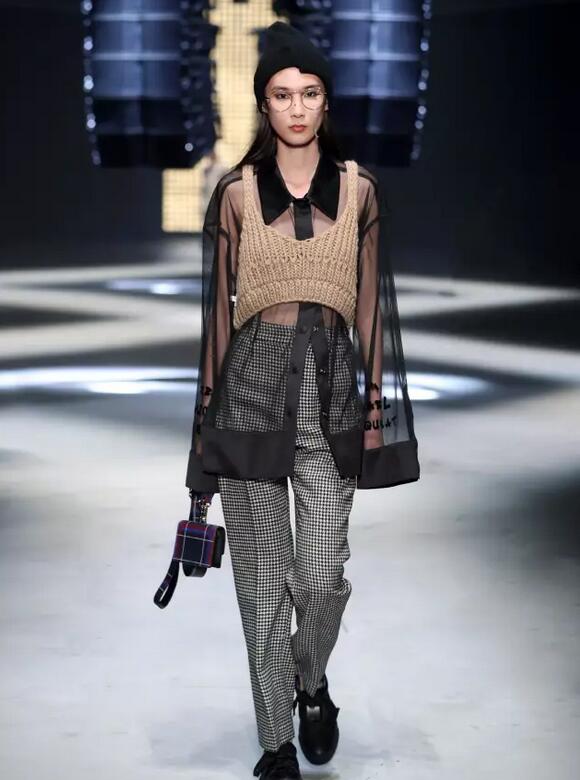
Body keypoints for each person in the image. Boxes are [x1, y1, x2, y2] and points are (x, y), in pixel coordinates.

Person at [186, 21, 420, 780]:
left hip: (331, 395)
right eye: (282, 94)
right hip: (249, 393)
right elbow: (217, 321)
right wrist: (202, 439)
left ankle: (309, 679)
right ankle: (275, 746)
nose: (296, 107)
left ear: (326, 101)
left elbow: (370, 308)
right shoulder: (233, 194)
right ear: (263, 103)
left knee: (321, 577)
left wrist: (378, 408)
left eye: (309, 93)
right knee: (261, 589)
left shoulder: (360, 191)